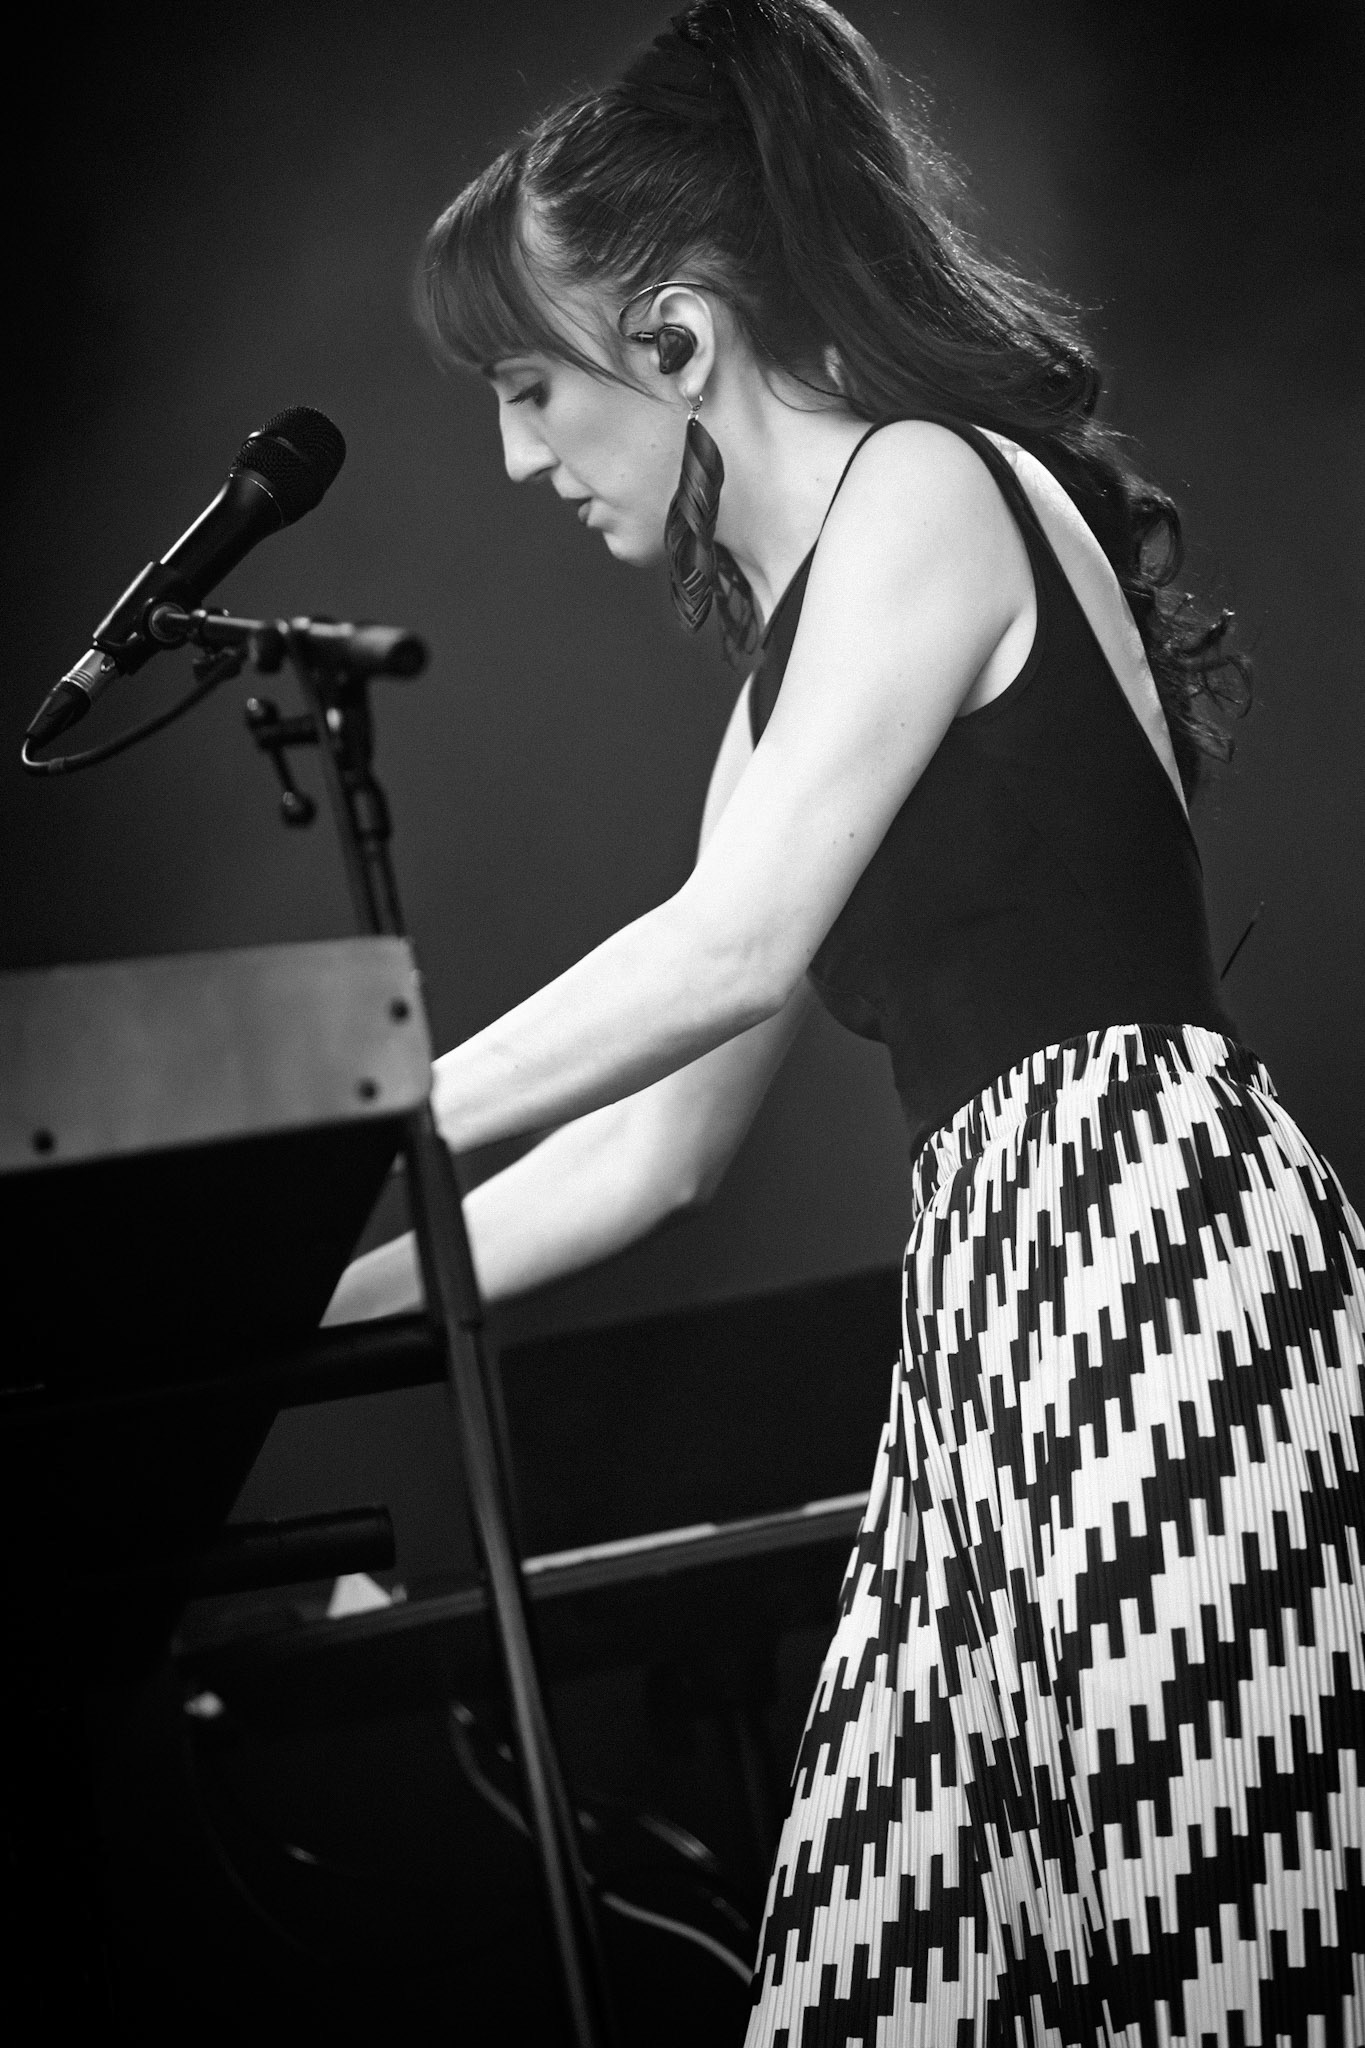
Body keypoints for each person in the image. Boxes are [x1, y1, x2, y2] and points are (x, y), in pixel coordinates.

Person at [325, 3, 1365, 2041]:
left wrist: (356, 1113)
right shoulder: (773, 701)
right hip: (989, 1334)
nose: (518, 455)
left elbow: (725, 953)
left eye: (531, 386)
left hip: (1155, 1273)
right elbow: (654, 1151)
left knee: (1219, 1956)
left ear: (676, 336)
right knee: (877, 1983)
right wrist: (303, 1299)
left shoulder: (930, 489)